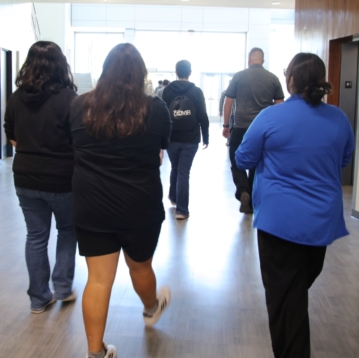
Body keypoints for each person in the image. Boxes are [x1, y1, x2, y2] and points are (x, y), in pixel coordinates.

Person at [235, 52, 354, 358]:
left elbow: (244, 158)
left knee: (285, 297)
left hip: (279, 221)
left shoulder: (271, 117)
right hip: (321, 223)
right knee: (295, 290)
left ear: (290, 81)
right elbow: (344, 159)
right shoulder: (338, 118)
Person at [70, 43, 172, 358]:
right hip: (140, 206)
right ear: (140, 74)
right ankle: (151, 307)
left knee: (98, 280)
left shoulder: (79, 106)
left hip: (91, 204)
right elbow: (160, 153)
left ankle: (95, 353)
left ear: (105, 71)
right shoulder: (155, 109)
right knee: (140, 267)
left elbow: (72, 146)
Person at [3, 41, 77, 313]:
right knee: (68, 231)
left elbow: (11, 136)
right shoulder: (69, 99)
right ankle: (62, 288)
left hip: (25, 178)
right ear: (60, 64)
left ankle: (38, 298)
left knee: (35, 236)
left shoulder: (16, 97)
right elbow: (77, 139)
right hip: (62, 179)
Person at [222, 47, 284, 214]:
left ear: (249, 59)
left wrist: (226, 125)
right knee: (259, 163)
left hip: (241, 127)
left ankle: (243, 191)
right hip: (264, 129)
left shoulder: (239, 76)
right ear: (262, 61)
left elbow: (228, 103)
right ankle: (252, 197)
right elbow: (280, 105)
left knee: (236, 160)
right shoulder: (273, 78)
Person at [162, 60, 209, 220]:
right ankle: (181, 210)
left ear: (176, 72)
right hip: (191, 138)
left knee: (175, 167)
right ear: (190, 72)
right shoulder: (196, 92)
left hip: (172, 137)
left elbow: (163, 116)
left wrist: (161, 138)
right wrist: (206, 137)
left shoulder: (167, 91)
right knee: (183, 171)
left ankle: (173, 197)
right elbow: (202, 115)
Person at [219, 81, 235, 146]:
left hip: (236, 113)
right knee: (230, 126)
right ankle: (229, 140)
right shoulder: (225, 92)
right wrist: (220, 111)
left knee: (234, 127)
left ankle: (232, 140)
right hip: (230, 113)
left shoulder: (238, 92)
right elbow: (222, 102)